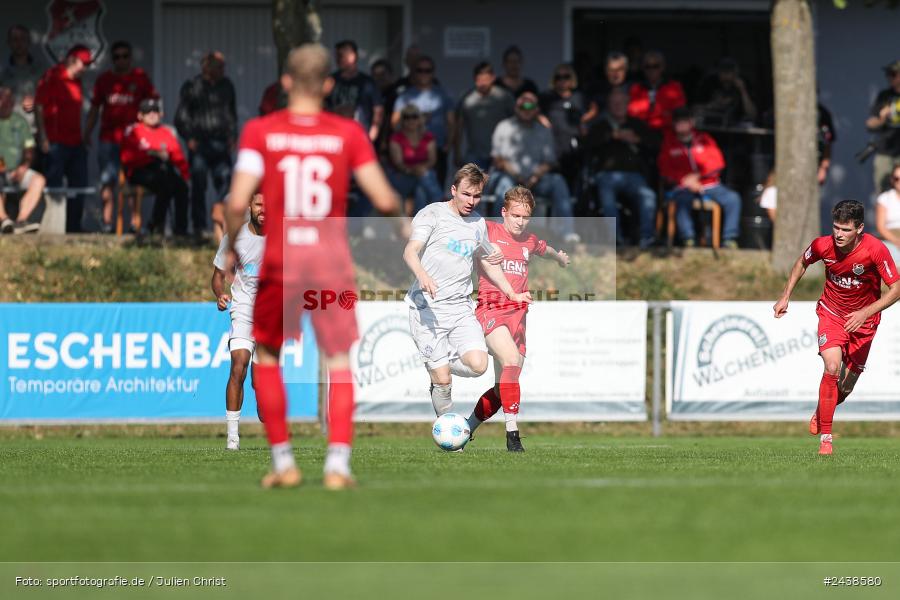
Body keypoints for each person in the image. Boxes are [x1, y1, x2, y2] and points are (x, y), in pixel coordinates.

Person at [224, 43, 405, 490]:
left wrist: (230, 246)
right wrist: (403, 230)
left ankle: (284, 462)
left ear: (285, 82)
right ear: (328, 85)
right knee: (340, 360)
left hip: (283, 260)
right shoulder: (347, 134)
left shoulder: (260, 131)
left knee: (266, 355)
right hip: (330, 261)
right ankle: (338, 467)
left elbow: (235, 201)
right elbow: (383, 199)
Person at [402, 163, 531, 423]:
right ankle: (446, 426)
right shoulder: (433, 214)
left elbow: (486, 262)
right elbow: (410, 251)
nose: (471, 201)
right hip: (427, 308)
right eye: (466, 194)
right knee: (443, 383)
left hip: (460, 307)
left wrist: (511, 293)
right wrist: (423, 276)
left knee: (479, 365)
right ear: (453, 190)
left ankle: (440, 366)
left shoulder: (477, 224)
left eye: (477, 196)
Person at [774, 200, 900, 456]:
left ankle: (823, 410)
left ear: (860, 229)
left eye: (845, 230)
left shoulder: (875, 250)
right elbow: (802, 262)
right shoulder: (823, 244)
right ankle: (826, 439)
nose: (839, 235)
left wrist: (866, 312)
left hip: (864, 322)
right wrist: (785, 295)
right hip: (831, 314)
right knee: (831, 367)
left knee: (846, 387)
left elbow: (896, 289)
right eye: (836, 228)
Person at [464, 186, 569, 451]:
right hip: (491, 310)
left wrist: (559, 258)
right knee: (510, 360)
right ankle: (513, 436)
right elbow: (458, 227)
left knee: (503, 390)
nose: (520, 222)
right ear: (504, 213)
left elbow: (544, 249)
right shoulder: (487, 230)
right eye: (515, 216)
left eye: (525, 217)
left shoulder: (529, 240)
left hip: (519, 317)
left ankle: (464, 430)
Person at [84, 40, 157, 233]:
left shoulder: (140, 78)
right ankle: (107, 224)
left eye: (125, 56)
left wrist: (152, 135)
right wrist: (87, 133)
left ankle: (135, 224)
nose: (121, 60)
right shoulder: (104, 80)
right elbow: (94, 109)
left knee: (134, 182)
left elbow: (153, 108)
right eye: (117, 56)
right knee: (107, 180)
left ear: (130, 58)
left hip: (133, 141)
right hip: (108, 139)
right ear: (112, 59)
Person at [490, 90, 580, 243]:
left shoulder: (544, 131)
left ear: (537, 109)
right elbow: (497, 160)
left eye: (530, 105)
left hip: (536, 180)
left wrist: (535, 176)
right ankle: (498, 232)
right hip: (511, 177)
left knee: (558, 181)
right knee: (503, 185)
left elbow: (550, 161)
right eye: (522, 105)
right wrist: (518, 177)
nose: (526, 109)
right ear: (516, 108)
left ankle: (567, 233)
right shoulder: (503, 127)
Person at [212, 193, 265, 451]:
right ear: (250, 207)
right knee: (238, 365)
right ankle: (233, 439)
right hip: (243, 309)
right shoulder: (234, 239)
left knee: (263, 389)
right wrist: (220, 294)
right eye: (258, 205)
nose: (263, 210)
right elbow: (218, 276)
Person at [583, 87, 659, 247]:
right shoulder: (601, 125)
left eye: (621, 102)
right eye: (614, 103)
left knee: (648, 196)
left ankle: (647, 238)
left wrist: (636, 140)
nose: (618, 106)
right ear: (609, 106)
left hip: (634, 176)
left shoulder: (637, 125)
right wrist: (611, 136)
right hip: (607, 175)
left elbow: (654, 144)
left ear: (627, 103)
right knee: (607, 198)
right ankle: (616, 238)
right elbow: (587, 145)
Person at [658, 107, 741, 248]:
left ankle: (729, 238)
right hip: (682, 187)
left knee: (733, 199)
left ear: (691, 123)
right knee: (681, 202)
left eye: (685, 121)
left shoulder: (705, 139)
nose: (682, 125)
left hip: (710, 185)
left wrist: (697, 176)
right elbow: (664, 169)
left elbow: (718, 163)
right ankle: (688, 238)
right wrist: (685, 181)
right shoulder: (668, 143)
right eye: (678, 122)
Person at [174, 50, 237, 237]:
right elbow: (181, 117)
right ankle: (199, 227)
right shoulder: (192, 86)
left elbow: (231, 113)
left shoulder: (227, 86)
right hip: (200, 144)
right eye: (219, 66)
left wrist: (233, 135)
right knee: (199, 184)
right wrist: (189, 138)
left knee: (225, 183)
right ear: (207, 67)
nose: (223, 70)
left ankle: (224, 226)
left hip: (221, 143)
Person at [34, 45, 90, 232]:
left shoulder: (77, 81)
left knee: (79, 186)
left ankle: (73, 228)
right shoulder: (52, 76)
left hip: (76, 142)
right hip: (55, 142)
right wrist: (43, 136)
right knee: (55, 188)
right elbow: (39, 106)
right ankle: (55, 230)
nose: (86, 68)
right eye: (85, 63)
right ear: (72, 60)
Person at [120, 99, 189, 236]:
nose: (152, 114)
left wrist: (186, 175)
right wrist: (152, 154)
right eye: (147, 112)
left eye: (155, 111)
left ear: (161, 114)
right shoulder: (133, 131)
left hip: (161, 170)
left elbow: (177, 155)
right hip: (139, 170)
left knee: (181, 186)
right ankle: (156, 224)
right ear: (140, 115)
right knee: (165, 183)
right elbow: (127, 157)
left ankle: (181, 229)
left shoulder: (166, 132)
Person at [391, 55, 455, 186]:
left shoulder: (443, 94)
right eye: (420, 70)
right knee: (412, 192)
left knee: (436, 187)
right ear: (414, 72)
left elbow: (451, 122)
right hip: (411, 151)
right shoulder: (405, 96)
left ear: (433, 72)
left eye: (428, 70)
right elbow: (394, 123)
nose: (424, 73)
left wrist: (448, 145)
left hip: (437, 148)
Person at [539, 63, 597, 191]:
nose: (562, 80)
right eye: (558, 77)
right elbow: (535, 111)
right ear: (554, 80)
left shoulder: (579, 96)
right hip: (554, 146)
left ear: (572, 79)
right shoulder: (547, 96)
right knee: (557, 184)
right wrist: (543, 121)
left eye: (566, 76)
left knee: (576, 184)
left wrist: (584, 120)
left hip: (574, 147)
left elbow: (594, 108)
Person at [0, 85, 45, 234]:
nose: (6, 105)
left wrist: (24, 166)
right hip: (1, 170)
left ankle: (21, 221)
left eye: (9, 101)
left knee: (38, 180)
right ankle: (4, 220)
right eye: (3, 101)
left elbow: (29, 148)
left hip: (16, 170)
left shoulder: (20, 122)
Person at [454, 61, 514, 170]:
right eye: (479, 80)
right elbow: (459, 126)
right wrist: (457, 152)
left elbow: (516, 122)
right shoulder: (466, 98)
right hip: (474, 154)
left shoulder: (504, 97)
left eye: (485, 80)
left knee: (501, 185)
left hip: (499, 154)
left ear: (493, 78)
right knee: (472, 185)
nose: (482, 83)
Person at [388, 104, 443, 215]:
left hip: (423, 174)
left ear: (419, 119)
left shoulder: (428, 137)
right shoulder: (396, 138)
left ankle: (418, 225)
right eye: (407, 117)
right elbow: (398, 163)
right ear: (402, 120)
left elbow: (432, 160)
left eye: (414, 116)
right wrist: (414, 170)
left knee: (420, 192)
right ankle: (440, 200)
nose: (411, 120)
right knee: (426, 179)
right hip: (403, 176)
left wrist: (421, 169)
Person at [326, 40, 383, 144]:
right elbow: (323, 105)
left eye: (341, 55)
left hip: (360, 135)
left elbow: (378, 108)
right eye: (337, 56)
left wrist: (374, 131)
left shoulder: (367, 82)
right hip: (335, 135)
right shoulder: (331, 81)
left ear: (352, 56)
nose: (337, 59)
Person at [0, 25, 44, 138]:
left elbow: (47, 103)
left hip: (34, 132)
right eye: (15, 39)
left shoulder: (40, 71)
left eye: (22, 39)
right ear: (9, 43)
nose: (19, 43)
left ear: (29, 42)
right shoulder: (2, 72)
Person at [627, 50, 686, 133]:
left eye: (656, 66)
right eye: (648, 66)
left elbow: (679, 115)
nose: (651, 70)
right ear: (643, 69)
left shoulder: (674, 87)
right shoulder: (635, 89)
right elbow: (632, 115)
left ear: (662, 67)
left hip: (668, 134)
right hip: (641, 135)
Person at [866, 60, 900, 193]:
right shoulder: (884, 96)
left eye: (893, 74)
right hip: (885, 152)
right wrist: (882, 118)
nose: (889, 77)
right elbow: (870, 124)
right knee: (883, 193)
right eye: (888, 74)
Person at [696, 58, 757, 126]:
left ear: (735, 73)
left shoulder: (744, 83)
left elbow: (752, 114)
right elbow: (695, 109)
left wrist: (743, 90)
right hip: (712, 123)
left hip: (736, 124)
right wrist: (714, 105)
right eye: (723, 71)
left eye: (729, 71)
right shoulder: (710, 83)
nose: (726, 75)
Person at [875, 164, 900, 266]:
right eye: (897, 178)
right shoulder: (885, 198)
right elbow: (881, 227)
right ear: (892, 180)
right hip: (890, 238)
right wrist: (896, 241)